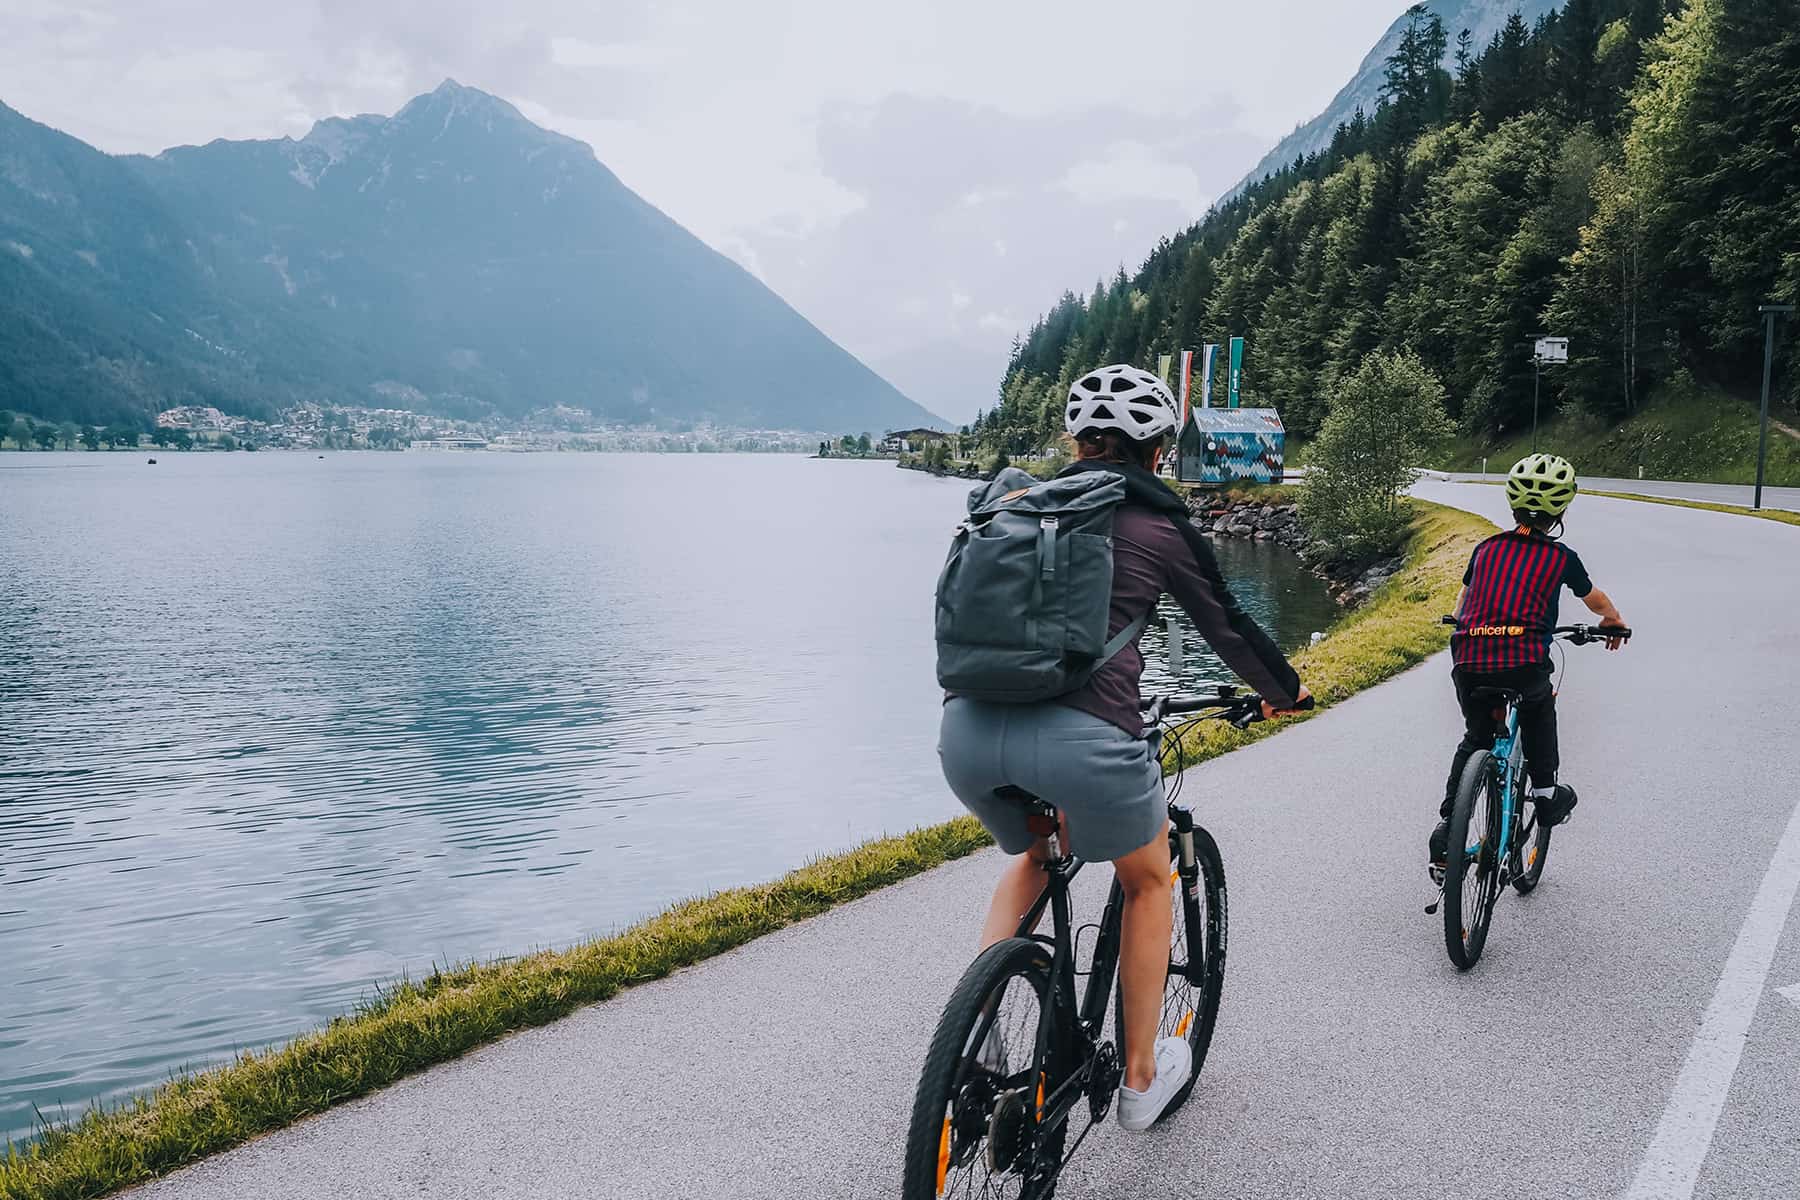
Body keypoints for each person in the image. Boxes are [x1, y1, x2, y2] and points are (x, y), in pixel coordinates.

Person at [937, 364, 1310, 1131]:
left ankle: (973, 1042)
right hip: (1086, 748)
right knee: (1147, 878)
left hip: (967, 736)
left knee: (1034, 856)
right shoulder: (1158, 527)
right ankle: (1141, 1081)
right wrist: (1285, 690)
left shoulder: (1015, 510)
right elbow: (1229, 628)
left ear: (1074, 442)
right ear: (1158, 451)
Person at [1430, 453, 1628, 872]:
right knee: (1539, 707)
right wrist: (1612, 621)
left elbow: (1464, 602)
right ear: (1562, 509)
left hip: (1469, 655)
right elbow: (1591, 598)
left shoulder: (1486, 549)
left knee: (1476, 738)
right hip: (1522, 659)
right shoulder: (1561, 558)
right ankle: (1544, 793)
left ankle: (1449, 827)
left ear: (1512, 504)